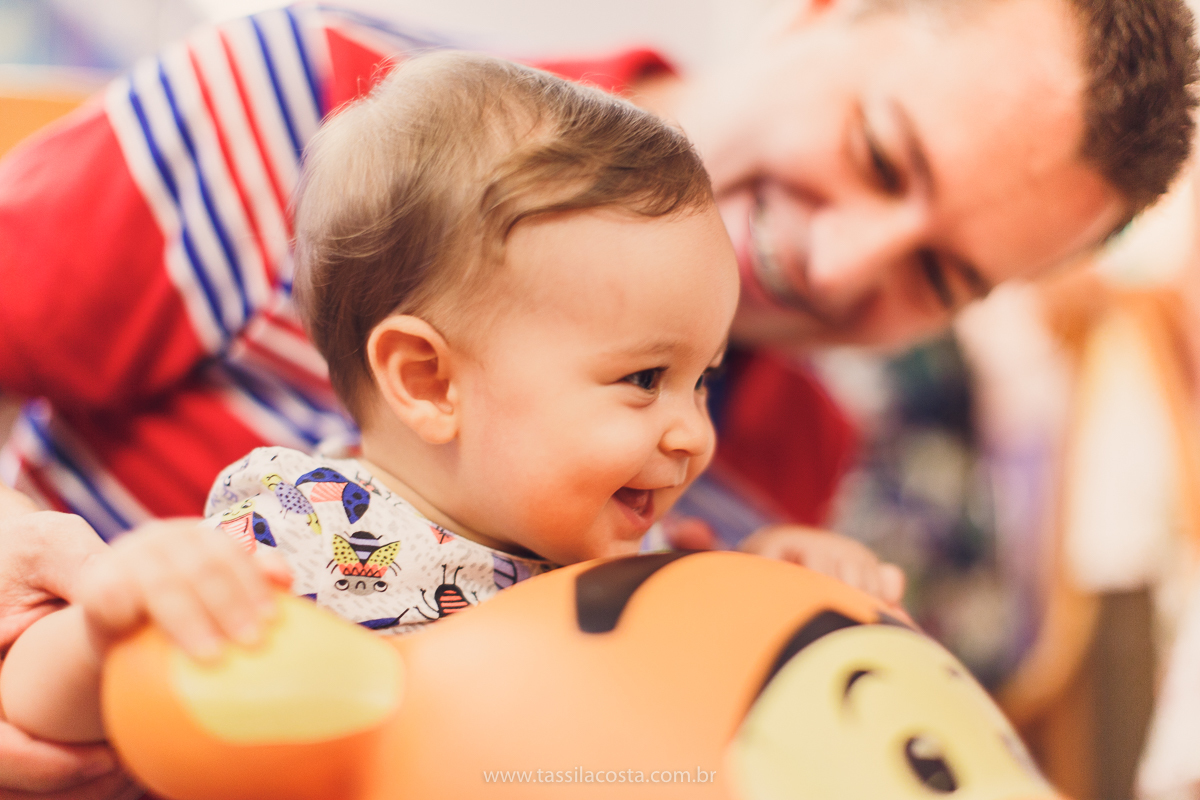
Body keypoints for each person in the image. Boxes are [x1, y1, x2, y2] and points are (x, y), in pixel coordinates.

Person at [0, 0, 1195, 794]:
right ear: (828, 15)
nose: (840, 264)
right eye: (881, 152)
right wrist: (85, 613)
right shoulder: (292, 119)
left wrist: (761, 609)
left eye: (939, 274)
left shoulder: (770, 459)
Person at [3, 49, 758, 741]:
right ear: (428, 381)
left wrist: (783, 575)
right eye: (644, 380)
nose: (693, 432)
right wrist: (104, 636)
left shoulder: (635, 555)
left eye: (702, 381)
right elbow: (43, 703)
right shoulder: (298, 536)